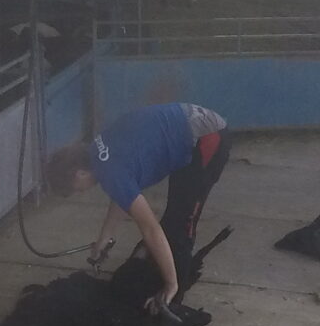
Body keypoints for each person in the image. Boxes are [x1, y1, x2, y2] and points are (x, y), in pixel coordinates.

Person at [45, 101, 231, 313]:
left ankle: (172, 297)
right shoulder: (97, 149)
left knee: (182, 225)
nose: (80, 192)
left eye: (75, 189)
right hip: (188, 129)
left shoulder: (110, 172)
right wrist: (104, 237)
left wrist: (171, 282)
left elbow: (150, 228)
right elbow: (124, 194)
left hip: (208, 138)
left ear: (79, 173)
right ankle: (165, 282)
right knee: (173, 218)